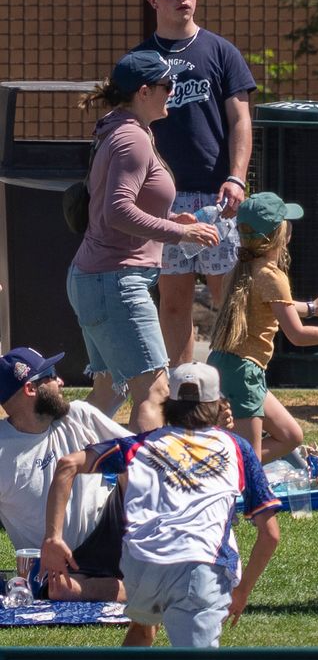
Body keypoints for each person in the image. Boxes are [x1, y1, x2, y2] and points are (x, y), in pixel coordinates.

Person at [40, 363, 281, 660]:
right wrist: (241, 593)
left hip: (141, 563)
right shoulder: (238, 449)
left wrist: (53, 538)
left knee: (142, 628)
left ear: (168, 404)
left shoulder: (139, 446)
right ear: (219, 405)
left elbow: (68, 464)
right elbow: (270, 535)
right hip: (202, 567)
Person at [68, 50, 220, 431]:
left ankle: (56, 467)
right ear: (144, 91)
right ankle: (140, 487)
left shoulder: (121, 128)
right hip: (115, 281)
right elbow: (116, 212)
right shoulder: (130, 139)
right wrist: (181, 232)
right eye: (168, 86)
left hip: (99, 279)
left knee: (109, 393)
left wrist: (169, 219)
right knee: (154, 392)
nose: (174, 92)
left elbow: (117, 204)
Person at [131, 0, 257, 366]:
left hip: (217, 198)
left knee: (228, 299)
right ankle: (183, 392)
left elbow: (240, 120)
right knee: (173, 301)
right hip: (163, 201)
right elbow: (128, 130)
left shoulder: (221, 52)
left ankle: (235, 389)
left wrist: (236, 177)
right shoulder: (140, 62)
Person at [207, 192, 318, 461]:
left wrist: (310, 308)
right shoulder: (272, 276)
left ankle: (222, 464)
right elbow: (298, 336)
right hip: (244, 371)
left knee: (290, 436)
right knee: (248, 458)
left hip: (227, 364)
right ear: (279, 234)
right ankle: (227, 473)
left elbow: (270, 305)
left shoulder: (242, 268)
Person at [0, 348, 128, 601]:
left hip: (112, 523)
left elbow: (141, 452)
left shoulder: (79, 414)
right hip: (56, 561)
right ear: (30, 389)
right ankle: (151, 589)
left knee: (138, 470)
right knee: (60, 591)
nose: (61, 382)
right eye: (51, 375)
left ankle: (150, 582)